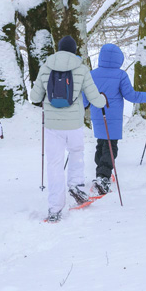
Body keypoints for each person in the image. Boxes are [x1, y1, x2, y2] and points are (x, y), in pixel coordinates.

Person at [30, 35, 107, 222]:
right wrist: (104, 100)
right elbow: (94, 97)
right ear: (74, 50)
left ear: (58, 49)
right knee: (76, 153)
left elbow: (34, 96)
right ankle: (76, 188)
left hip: (52, 125)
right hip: (74, 124)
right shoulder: (81, 69)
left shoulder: (46, 67)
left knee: (54, 165)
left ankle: (55, 208)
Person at [86, 43, 146, 195]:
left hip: (98, 115)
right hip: (113, 117)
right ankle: (103, 177)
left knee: (101, 144)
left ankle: (101, 173)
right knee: (111, 146)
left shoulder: (92, 74)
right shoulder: (121, 75)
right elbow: (131, 95)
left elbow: (85, 97)